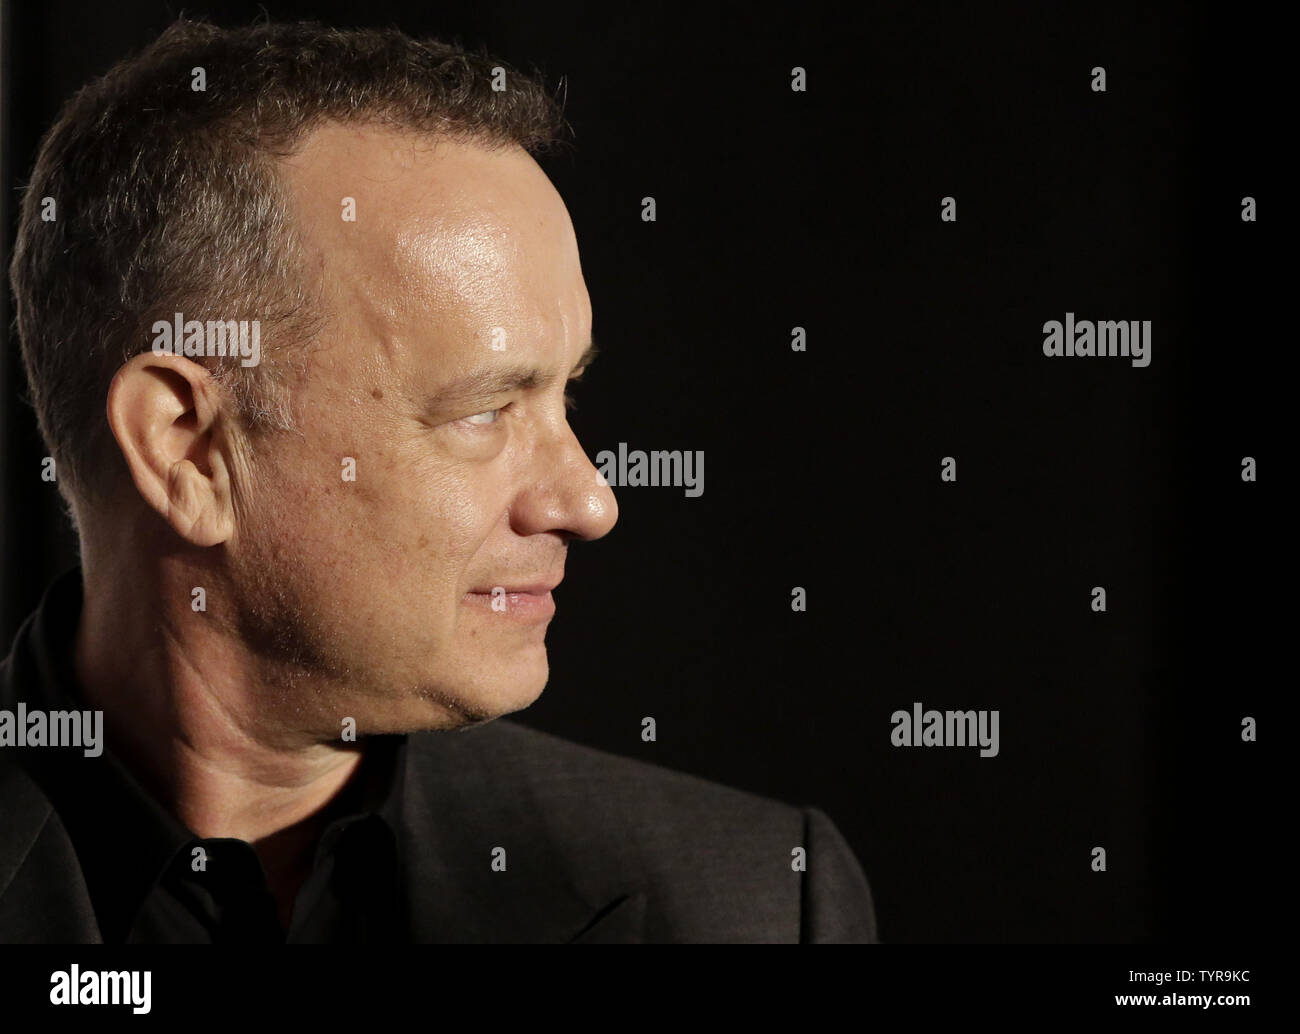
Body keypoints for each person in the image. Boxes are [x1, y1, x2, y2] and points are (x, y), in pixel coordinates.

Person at [0, 18, 877, 943]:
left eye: (565, 393)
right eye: (484, 411)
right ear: (188, 448)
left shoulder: (758, 903)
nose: (589, 502)